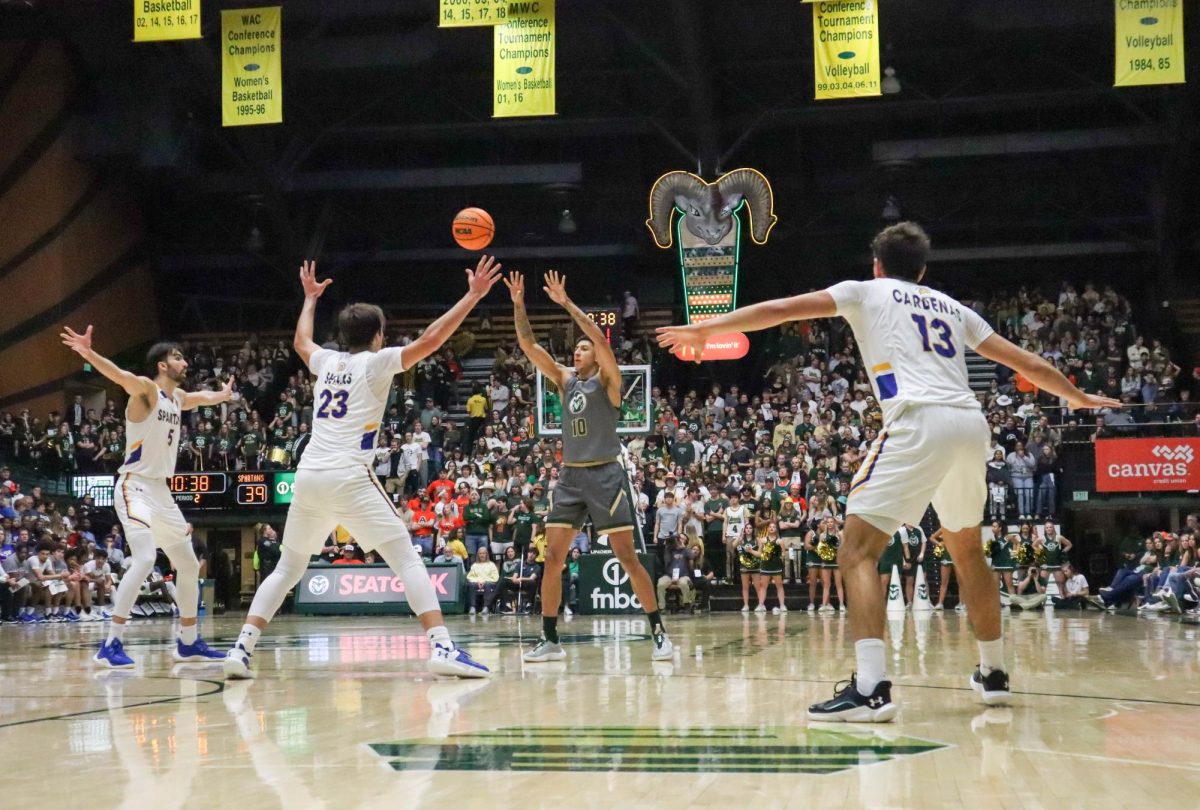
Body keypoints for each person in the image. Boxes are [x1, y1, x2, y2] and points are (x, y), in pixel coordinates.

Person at [658, 221, 1119, 720]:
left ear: (877, 265)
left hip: (919, 420)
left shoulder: (865, 291)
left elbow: (781, 309)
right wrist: (1076, 396)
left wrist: (706, 327)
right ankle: (994, 673)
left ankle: (871, 687)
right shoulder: (952, 307)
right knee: (968, 551)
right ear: (921, 270)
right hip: (969, 424)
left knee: (856, 550)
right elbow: (1025, 361)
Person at [223, 257, 500, 681]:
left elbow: (301, 342)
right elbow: (431, 339)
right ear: (378, 335)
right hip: (349, 475)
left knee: (286, 569)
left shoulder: (327, 362)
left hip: (309, 475)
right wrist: (473, 295)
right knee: (407, 559)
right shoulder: (376, 363)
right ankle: (442, 647)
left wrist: (309, 299)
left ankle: (241, 649)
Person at [505, 270, 672, 662]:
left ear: (597, 355)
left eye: (584, 349)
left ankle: (659, 632)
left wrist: (566, 304)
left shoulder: (609, 382)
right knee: (552, 558)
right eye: (576, 349)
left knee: (627, 557)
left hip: (606, 475)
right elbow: (529, 345)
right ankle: (550, 639)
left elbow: (598, 337)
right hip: (570, 476)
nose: (578, 352)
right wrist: (518, 304)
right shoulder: (565, 382)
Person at [61, 327, 232, 668]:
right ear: (162, 365)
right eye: (177, 356)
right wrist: (88, 354)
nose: (184, 361)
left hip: (161, 492)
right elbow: (119, 375)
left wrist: (222, 396)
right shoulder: (146, 390)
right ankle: (110, 644)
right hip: (134, 485)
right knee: (143, 558)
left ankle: (188, 642)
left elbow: (201, 398)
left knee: (187, 564)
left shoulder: (179, 398)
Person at [758, 520, 787, 614]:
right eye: (770, 527)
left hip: (776, 566)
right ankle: (761, 605)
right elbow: (760, 553)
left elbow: (783, 553)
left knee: (779, 586)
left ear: (776, 529)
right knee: (763, 586)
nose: (772, 528)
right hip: (765, 566)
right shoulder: (762, 540)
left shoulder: (780, 541)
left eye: (774, 527)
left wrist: (781, 556)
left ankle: (782, 605)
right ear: (767, 528)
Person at [466, 547, 499, 615]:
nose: (482, 555)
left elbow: (496, 577)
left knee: (487, 585)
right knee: (471, 585)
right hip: (476, 584)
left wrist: (484, 581)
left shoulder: (491, 564)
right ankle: (472, 607)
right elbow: (469, 577)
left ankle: (486, 607)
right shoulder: (474, 565)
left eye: (483, 553)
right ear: (478, 555)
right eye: (480, 553)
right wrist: (478, 581)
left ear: (486, 554)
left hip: (488, 583)